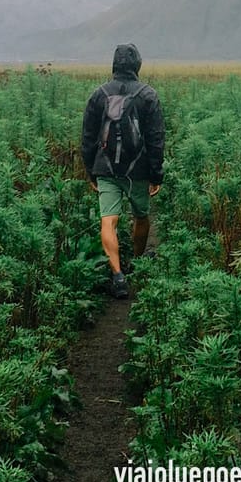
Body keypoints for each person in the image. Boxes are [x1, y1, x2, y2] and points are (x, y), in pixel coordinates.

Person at [80, 43, 165, 299]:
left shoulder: (98, 95)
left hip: (105, 168)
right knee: (141, 216)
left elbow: (88, 137)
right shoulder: (148, 95)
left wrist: (91, 170)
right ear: (137, 65)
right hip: (137, 169)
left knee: (109, 220)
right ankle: (136, 261)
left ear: (114, 65)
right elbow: (156, 138)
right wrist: (156, 173)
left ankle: (117, 274)